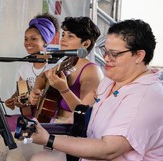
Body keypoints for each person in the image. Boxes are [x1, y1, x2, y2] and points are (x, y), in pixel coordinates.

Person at [30, 19, 163, 161]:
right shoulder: (111, 79)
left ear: (139, 56)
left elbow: (108, 150)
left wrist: (49, 139)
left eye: (114, 54)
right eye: (104, 51)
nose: (106, 58)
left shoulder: (146, 97)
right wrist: (72, 120)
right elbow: (91, 99)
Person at [0, 13, 59, 161]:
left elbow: (55, 97)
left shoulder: (54, 66)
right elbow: (22, 93)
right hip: (27, 116)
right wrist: (14, 100)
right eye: (26, 39)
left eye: (34, 39)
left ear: (46, 41)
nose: (28, 43)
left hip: (47, 118)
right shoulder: (24, 67)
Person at [29, 16, 103, 123]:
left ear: (85, 43)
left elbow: (86, 113)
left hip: (70, 129)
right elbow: (42, 76)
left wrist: (64, 89)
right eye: (63, 35)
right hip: (53, 122)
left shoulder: (91, 71)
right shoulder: (67, 62)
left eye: (70, 36)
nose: (63, 39)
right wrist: (36, 89)